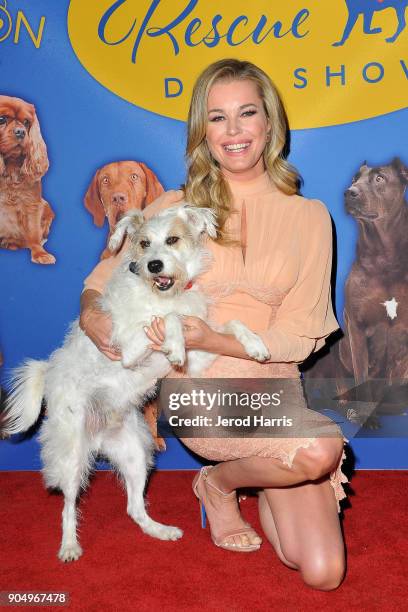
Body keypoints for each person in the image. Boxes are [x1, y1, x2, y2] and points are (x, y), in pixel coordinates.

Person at [80, 59, 348, 590]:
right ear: (203, 130)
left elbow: (301, 333)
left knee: (321, 571)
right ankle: (227, 483)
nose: (233, 131)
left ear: (269, 123)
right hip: (198, 388)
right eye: (217, 117)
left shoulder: (310, 217)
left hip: (273, 389)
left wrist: (221, 336)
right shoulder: (178, 207)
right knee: (320, 450)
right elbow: (102, 277)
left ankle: (243, 477)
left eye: (246, 114)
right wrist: (92, 315)